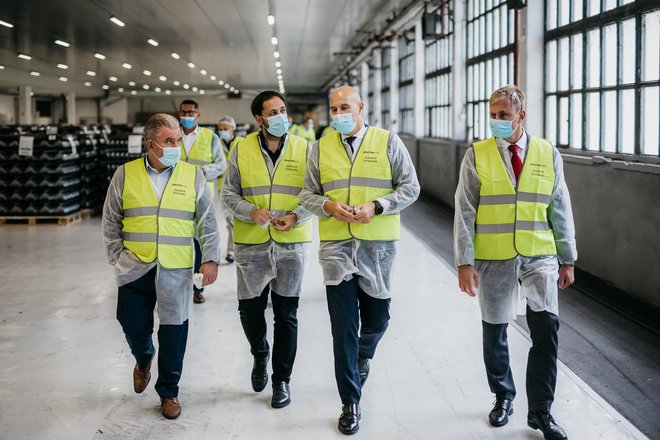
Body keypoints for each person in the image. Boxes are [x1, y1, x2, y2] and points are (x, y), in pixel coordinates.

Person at [454, 84, 576, 440]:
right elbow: (465, 209)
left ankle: (541, 412)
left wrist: (567, 257)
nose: (496, 122)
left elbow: (560, 206)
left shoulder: (546, 153)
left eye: (503, 116)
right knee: (495, 330)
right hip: (493, 256)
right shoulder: (476, 154)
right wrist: (464, 260)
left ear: (521, 115)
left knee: (546, 330)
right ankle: (503, 396)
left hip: (539, 255)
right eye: (492, 116)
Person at [299, 85, 420, 435]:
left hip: (377, 248)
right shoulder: (320, 147)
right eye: (334, 108)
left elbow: (411, 187)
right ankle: (350, 402)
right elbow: (307, 193)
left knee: (378, 320)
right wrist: (328, 206)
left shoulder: (387, 141)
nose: (339, 114)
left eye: (344, 107)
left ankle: (364, 355)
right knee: (343, 328)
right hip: (336, 247)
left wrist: (377, 206)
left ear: (361, 107)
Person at [102, 113, 220, 420]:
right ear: (151, 144)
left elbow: (207, 220)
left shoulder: (192, 175)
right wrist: (118, 259)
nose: (175, 147)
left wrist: (210, 258)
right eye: (169, 141)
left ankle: (169, 392)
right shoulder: (124, 174)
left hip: (176, 269)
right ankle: (143, 358)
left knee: (173, 333)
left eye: (178, 140)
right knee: (133, 326)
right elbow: (110, 220)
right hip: (134, 268)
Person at [222, 90, 312, 409]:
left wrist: (295, 215)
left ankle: (282, 380)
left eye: (283, 111)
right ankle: (260, 354)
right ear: (259, 119)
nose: (280, 117)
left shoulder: (304, 148)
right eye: (273, 113)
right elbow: (228, 193)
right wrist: (251, 212)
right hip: (252, 245)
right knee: (250, 310)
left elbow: (314, 194)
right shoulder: (241, 148)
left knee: (287, 315)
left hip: (291, 244)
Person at [179, 99, 227, 304]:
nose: (187, 116)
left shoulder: (210, 137)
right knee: (179, 243)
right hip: (176, 197)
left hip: (202, 197)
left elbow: (221, 164)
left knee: (201, 243)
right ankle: (177, 287)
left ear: (198, 114)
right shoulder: (172, 135)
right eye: (183, 112)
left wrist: (201, 172)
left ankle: (198, 287)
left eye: (191, 112)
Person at [216, 115, 244, 263]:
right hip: (222, 188)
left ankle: (234, 250)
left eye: (225, 129)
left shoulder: (242, 143)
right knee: (230, 220)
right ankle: (232, 250)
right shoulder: (216, 144)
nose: (222, 132)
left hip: (239, 188)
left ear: (232, 128)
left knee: (236, 220)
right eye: (220, 129)